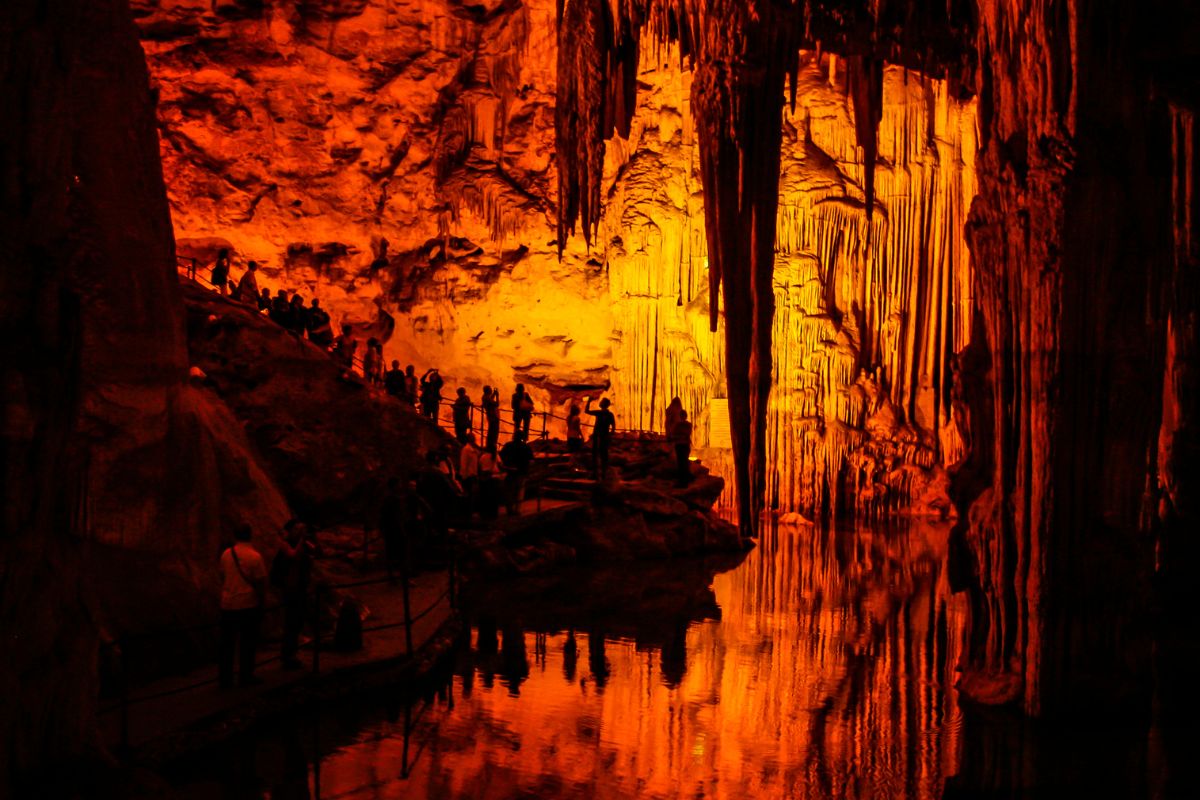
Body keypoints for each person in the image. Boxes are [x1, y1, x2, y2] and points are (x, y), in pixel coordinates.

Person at [218, 525, 267, 688]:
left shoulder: (226, 554)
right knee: (248, 642)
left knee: (227, 644)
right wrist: (262, 602)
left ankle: (225, 679)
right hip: (247, 604)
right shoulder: (255, 557)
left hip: (227, 604)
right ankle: (246, 676)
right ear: (250, 535)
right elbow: (261, 582)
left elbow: (222, 575)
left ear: (235, 535)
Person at [274, 519, 321, 670]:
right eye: (298, 530)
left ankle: (292, 653)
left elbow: (318, 552)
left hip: (300, 587)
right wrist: (302, 540)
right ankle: (287, 656)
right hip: (290, 589)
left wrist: (313, 537)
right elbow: (292, 555)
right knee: (291, 622)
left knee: (297, 621)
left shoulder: (304, 543)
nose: (300, 533)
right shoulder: (286, 543)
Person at [379, 477, 409, 584]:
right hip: (396, 529)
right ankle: (403, 577)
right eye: (399, 484)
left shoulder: (386, 499)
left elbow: (383, 516)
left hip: (389, 530)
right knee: (402, 554)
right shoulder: (395, 500)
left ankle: (391, 576)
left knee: (391, 554)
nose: (400, 486)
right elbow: (398, 516)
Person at [499, 435, 534, 515]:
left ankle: (509, 509)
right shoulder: (526, 447)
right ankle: (518, 510)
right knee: (520, 492)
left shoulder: (508, 445)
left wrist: (506, 466)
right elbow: (531, 461)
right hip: (521, 472)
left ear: (513, 437)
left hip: (510, 472)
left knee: (509, 491)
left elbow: (501, 456)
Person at [585, 396, 616, 479]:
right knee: (602, 454)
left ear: (604, 404)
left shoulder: (601, 413)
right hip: (602, 436)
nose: (600, 402)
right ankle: (602, 473)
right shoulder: (608, 414)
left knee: (598, 454)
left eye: (601, 401)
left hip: (600, 435)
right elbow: (613, 426)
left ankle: (599, 473)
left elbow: (586, 411)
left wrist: (589, 401)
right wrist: (611, 434)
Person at [669, 409, 693, 486]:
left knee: (681, 462)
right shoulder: (688, 425)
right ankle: (684, 480)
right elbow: (686, 434)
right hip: (684, 445)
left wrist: (676, 436)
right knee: (683, 462)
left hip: (681, 445)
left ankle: (683, 480)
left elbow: (674, 433)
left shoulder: (678, 425)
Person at [459, 432, 481, 508]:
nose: (474, 439)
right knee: (469, 495)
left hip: (473, 475)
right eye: (473, 437)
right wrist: (464, 476)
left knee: (472, 495)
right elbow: (463, 464)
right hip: (468, 476)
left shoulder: (473, 450)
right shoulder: (466, 449)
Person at [482, 386, 501, 452]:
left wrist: (494, 394)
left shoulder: (485, 397)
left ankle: (489, 446)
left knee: (491, 432)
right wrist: (497, 396)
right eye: (490, 389)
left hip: (491, 416)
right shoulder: (487, 398)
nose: (491, 390)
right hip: (494, 417)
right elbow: (497, 404)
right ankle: (492, 447)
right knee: (494, 433)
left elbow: (490, 400)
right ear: (488, 391)